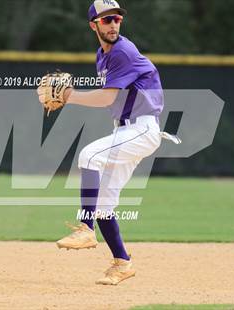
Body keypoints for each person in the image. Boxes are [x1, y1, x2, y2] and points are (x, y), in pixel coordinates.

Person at [46, 0, 173, 285]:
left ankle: (85, 228)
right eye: (106, 20)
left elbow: (106, 98)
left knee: (89, 156)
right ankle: (122, 263)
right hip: (126, 131)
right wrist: (72, 96)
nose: (113, 24)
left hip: (142, 129)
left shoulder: (123, 52)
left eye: (116, 18)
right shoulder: (102, 56)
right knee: (104, 205)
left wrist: (69, 96)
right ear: (94, 25)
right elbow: (111, 99)